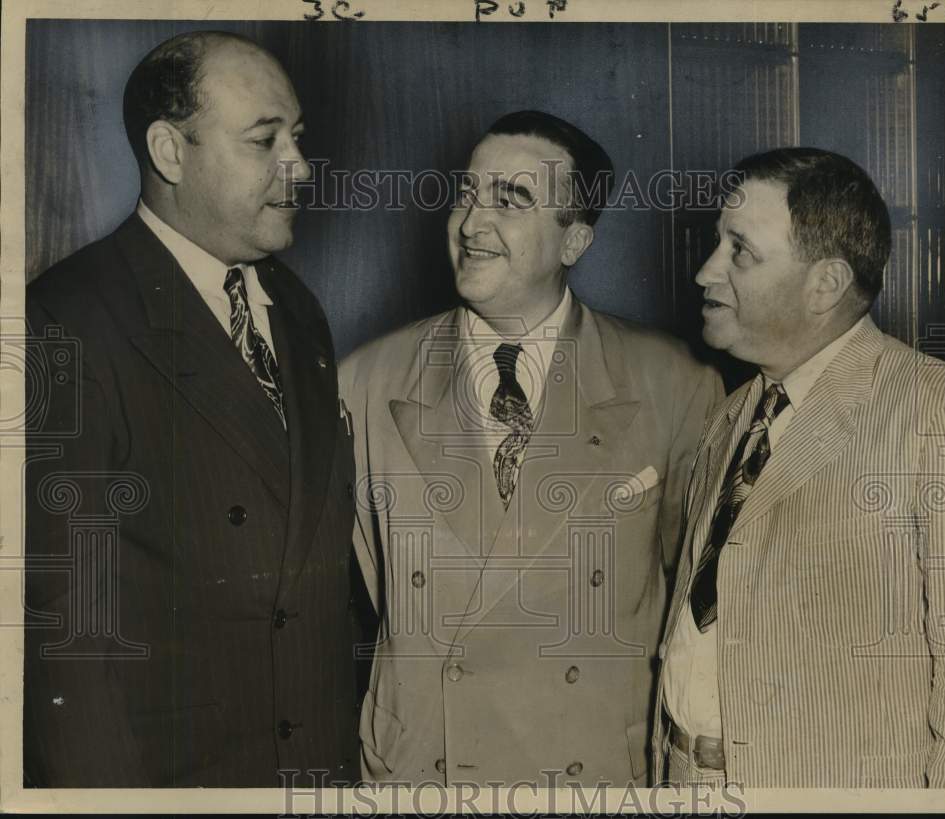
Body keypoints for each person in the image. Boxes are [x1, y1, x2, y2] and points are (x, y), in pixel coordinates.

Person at [339, 110, 723, 787]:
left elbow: (687, 593)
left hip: (590, 774)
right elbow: (370, 581)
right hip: (424, 770)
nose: (469, 224)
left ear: (574, 239)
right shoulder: (364, 382)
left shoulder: (675, 384)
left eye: (509, 200)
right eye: (465, 194)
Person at [24, 31, 364, 787]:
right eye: (264, 140)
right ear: (170, 152)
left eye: (298, 137)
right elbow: (67, 643)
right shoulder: (65, 322)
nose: (300, 166)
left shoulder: (298, 308)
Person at [654, 147, 945, 788]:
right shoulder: (732, 416)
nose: (705, 273)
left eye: (738, 250)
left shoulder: (944, 413)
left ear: (824, 284)